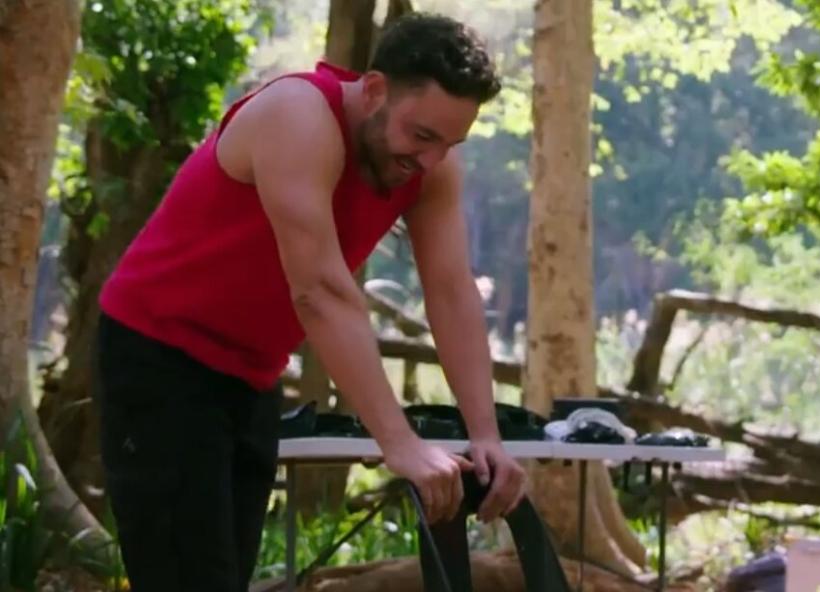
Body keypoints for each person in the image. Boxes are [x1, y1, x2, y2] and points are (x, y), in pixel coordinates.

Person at [92, 13, 526, 592]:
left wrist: (485, 435)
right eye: (421, 135)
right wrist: (398, 443)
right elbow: (319, 289)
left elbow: (450, 291)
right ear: (374, 89)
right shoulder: (297, 116)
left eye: (450, 143)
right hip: (158, 359)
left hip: (249, 375)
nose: (431, 159)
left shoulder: (431, 167)